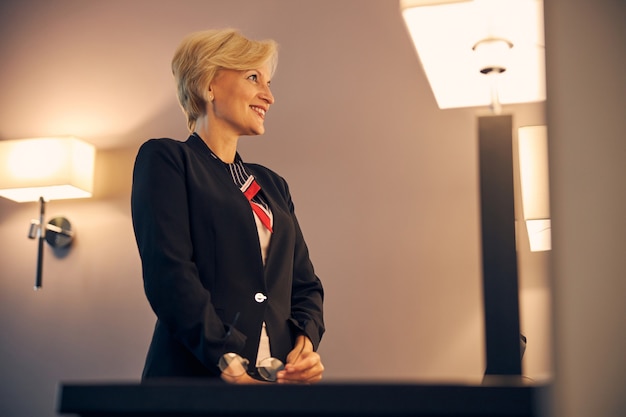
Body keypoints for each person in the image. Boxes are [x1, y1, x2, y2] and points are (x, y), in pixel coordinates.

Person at [131, 29, 325, 384]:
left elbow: (305, 286)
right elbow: (169, 274)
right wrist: (224, 357)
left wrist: (306, 343)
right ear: (208, 86)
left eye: (268, 82)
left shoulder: (273, 185)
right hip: (194, 381)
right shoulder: (167, 159)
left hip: (276, 384)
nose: (268, 96)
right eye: (253, 78)